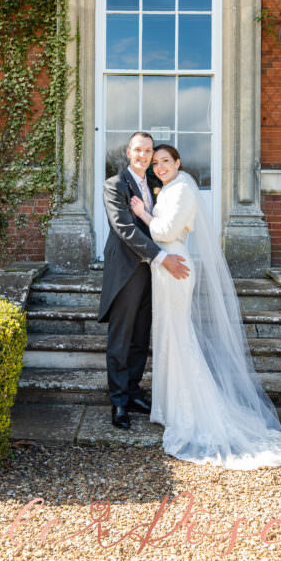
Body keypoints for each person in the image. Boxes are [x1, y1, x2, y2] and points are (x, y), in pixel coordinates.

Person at [130, 144, 281, 469]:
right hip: (164, 268)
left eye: (165, 160)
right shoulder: (168, 189)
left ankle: (192, 411)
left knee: (178, 337)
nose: (160, 166)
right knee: (168, 336)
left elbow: (164, 230)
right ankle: (170, 409)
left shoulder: (182, 189)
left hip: (175, 265)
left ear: (178, 162)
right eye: (155, 163)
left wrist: (142, 213)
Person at [98, 131, 190, 430]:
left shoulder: (155, 183)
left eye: (148, 151)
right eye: (138, 150)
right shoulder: (114, 186)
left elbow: (164, 223)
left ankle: (135, 391)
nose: (143, 156)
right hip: (127, 271)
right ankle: (119, 401)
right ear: (128, 152)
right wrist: (163, 258)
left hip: (153, 274)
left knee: (141, 336)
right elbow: (125, 229)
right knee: (121, 338)